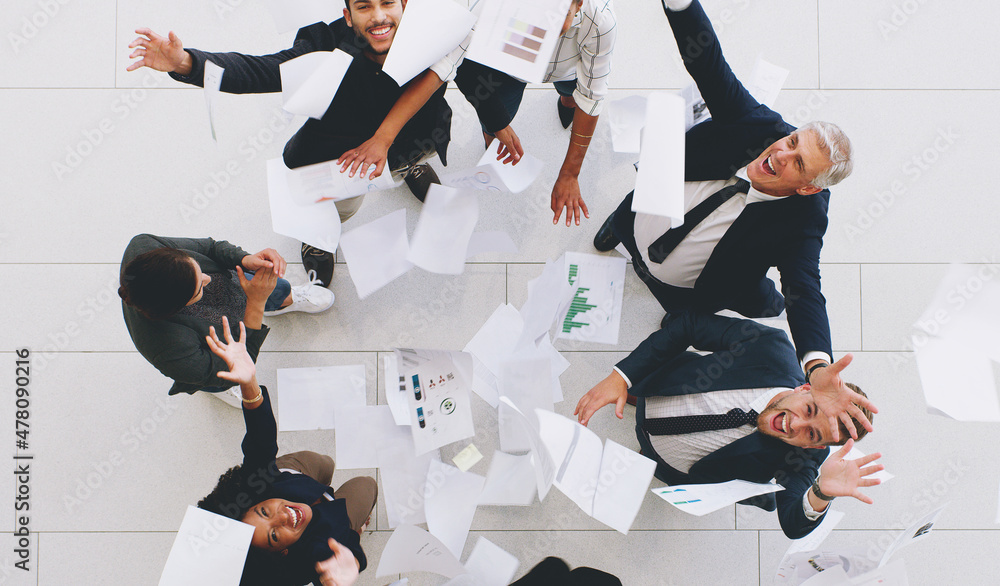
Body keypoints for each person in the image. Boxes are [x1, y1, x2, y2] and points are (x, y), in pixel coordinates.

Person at [592, 0, 854, 403]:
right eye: (792, 141)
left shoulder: (804, 218)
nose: (780, 154)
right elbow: (709, 63)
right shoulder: (758, 125)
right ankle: (618, 229)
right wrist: (680, 6)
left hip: (690, 290)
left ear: (808, 188)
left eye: (797, 162)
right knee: (624, 223)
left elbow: (806, 289)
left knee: (736, 305)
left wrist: (817, 365)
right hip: (639, 215)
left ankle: (755, 302)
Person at [126, 0, 468, 285]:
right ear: (347, 16)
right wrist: (186, 62)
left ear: (406, 5)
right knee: (341, 207)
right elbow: (262, 71)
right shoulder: (325, 44)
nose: (378, 17)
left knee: (411, 159)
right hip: (344, 159)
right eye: (364, 6)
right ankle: (320, 239)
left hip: (416, 136)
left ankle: (409, 169)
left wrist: (497, 125)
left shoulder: (434, 30)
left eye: (388, 3)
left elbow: (472, 68)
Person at [574, 312, 883, 539]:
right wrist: (623, 378)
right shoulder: (769, 347)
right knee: (637, 393)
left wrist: (821, 493)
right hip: (660, 386)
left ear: (813, 447)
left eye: (812, 433)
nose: (795, 423)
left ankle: (648, 452)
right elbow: (689, 324)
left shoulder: (801, 460)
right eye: (809, 409)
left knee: (649, 459)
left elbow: (793, 522)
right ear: (805, 388)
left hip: (674, 465)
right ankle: (634, 396)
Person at [198, 317, 377, 586]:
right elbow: (334, 563)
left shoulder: (254, 485)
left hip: (293, 473)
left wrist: (249, 384)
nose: (283, 517)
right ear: (281, 552)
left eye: (264, 512)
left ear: (253, 501)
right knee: (366, 485)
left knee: (322, 463)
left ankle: (323, 476)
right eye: (274, 535)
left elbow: (260, 441)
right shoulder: (313, 553)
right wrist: (352, 559)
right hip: (337, 520)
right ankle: (357, 521)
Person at [455, 0, 617, 226]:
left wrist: (570, 173)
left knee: (574, 96)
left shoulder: (601, 21)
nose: (544, 27)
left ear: (578, 3)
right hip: (509, 68)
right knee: (494, 120)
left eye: (556, 15)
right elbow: (459, 60)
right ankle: (493, 143)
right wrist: (498, 123)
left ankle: (567, 101)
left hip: (568, 69)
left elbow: (591, 96)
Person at [119, 234, 333, 399]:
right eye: (198, 288)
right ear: (178, 306)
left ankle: (282, 300)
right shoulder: (170, 351)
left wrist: (245, 259)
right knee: (220, 380)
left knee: (274, 287)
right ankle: (224, 390)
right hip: (213, 352)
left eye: (196, 267)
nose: (207, 278)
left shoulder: (144, 246)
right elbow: (239, 364)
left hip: (235, 288)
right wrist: (256, 302)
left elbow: (210, 248)